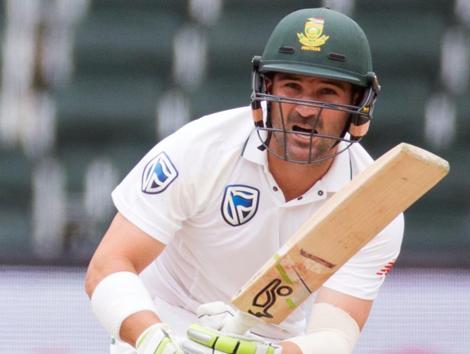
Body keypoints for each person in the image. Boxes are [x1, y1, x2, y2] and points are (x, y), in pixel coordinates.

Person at [85, 7, 403, 354]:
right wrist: (153, 341)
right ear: (265, 89)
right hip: (163, 328)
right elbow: (108, 266)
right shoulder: (203, 147)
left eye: (327, 92)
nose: (305, 109)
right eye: (291, 87)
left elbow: (336, 335)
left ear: (358, 104)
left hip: (270, 344)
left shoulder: (373, 203)